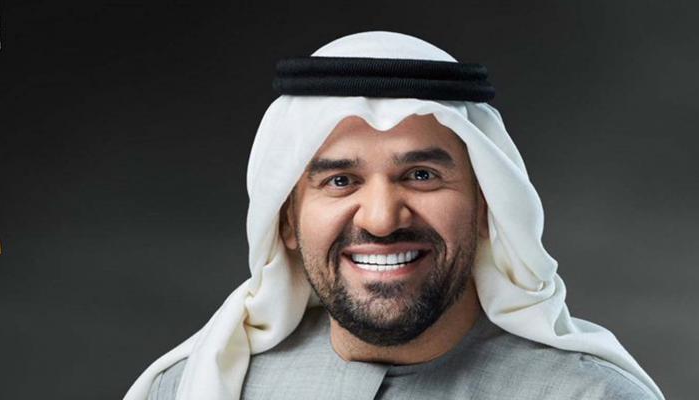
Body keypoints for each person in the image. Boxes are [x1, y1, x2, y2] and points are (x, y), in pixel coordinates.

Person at [125, 31, 664, 400]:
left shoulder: (590, 395)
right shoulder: (192, 387)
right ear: (287, 220)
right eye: (340, 181)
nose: (382, 220)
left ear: (486, 208)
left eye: (421, 176)